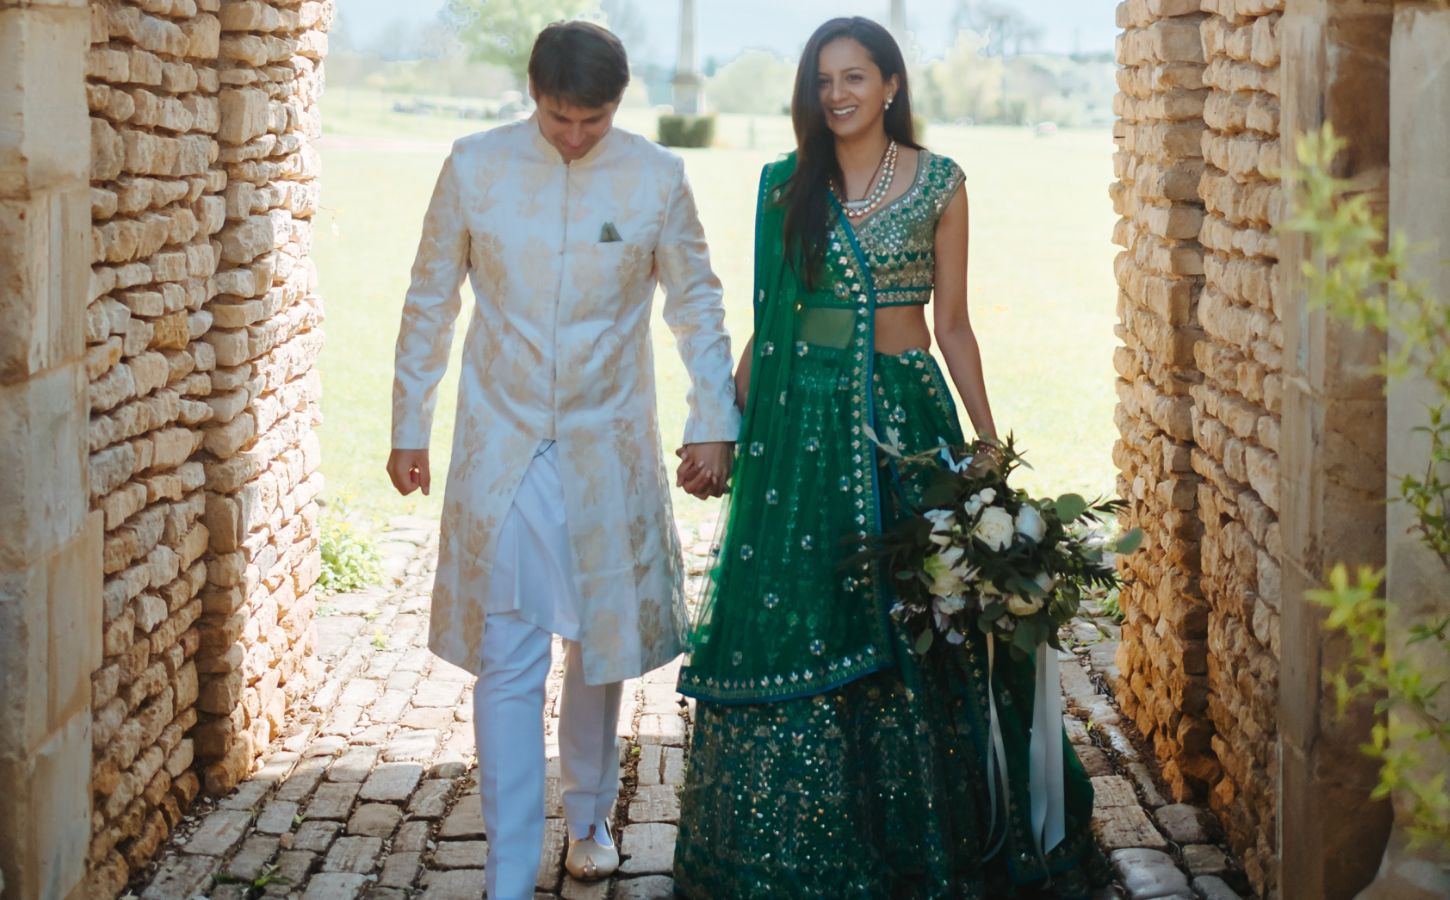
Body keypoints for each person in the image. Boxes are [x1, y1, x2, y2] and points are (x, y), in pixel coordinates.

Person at [672, 17, 1109, 898]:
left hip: (904, 421)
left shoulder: (940, 182)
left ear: (891, 84)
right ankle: (807, 850)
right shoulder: (785, 186)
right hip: (803, 428)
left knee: (930, 612)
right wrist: (717, 419)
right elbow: (774, 320)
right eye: (824, 80)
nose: (837, 94)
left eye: (855, 77)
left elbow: (953, 324)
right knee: (813, 611)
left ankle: (939, 839)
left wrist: (987, 445)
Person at [386, 21, 738, 900]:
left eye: (594, 119)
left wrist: (714, 419)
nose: (575, 135)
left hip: (605, 448)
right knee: (509, 657)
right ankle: (506, 871)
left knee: (598, 646)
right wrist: (408, 422)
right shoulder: (474, 164)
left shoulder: (658, 176)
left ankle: (587, 817)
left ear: (619, 105)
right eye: (558, 117)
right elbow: (430, 296)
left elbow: (696, 303)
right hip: (502, 447)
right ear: (532, 93)